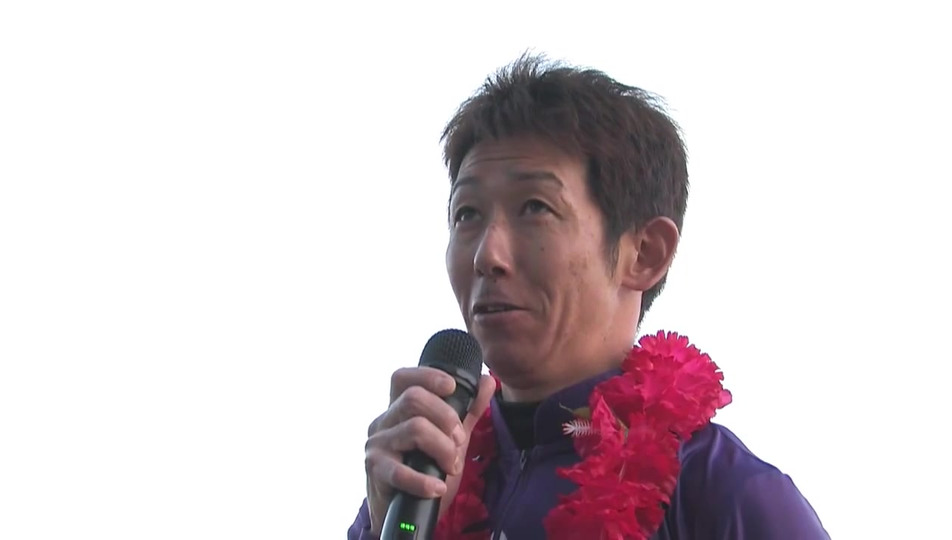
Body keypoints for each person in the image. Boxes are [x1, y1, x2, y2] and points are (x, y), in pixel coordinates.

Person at [348, 54, 829, 540]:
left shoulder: (727, 497)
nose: (486, 255)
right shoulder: (415, 489)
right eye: (466, 214)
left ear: (645, 253)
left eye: (535, 207)